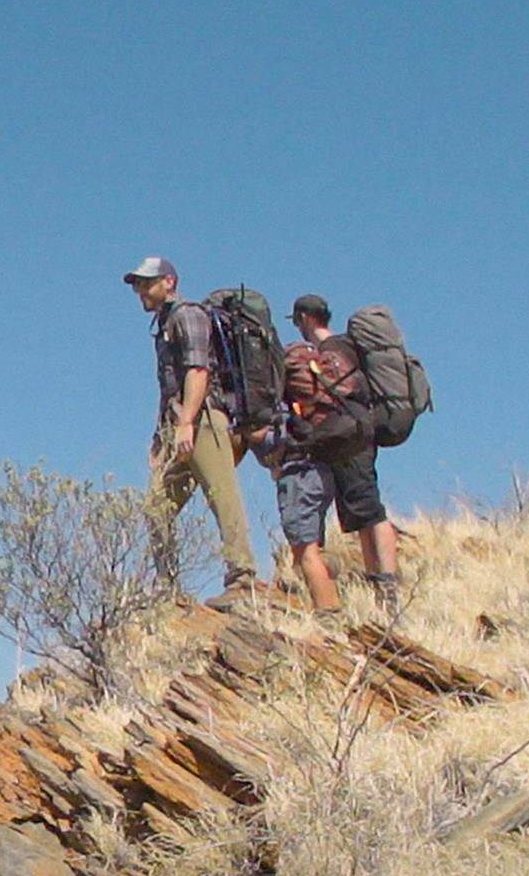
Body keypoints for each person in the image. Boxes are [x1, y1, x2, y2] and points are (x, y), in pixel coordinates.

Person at [123, 256, 258, 604]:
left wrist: (187, 423)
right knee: (156, 509)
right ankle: (169, 589)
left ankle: (242, 580)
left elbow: (198, 371)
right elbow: (169, 387)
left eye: (146, 283)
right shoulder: (164, 325)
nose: (141, 290)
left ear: (169, 282)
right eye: (138, 284)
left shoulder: (188, 314)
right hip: (180, 425)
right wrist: (160, 437)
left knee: (221, 495)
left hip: (205, 420)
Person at [289, 294, 401, 612]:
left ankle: (388, 583)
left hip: (350, 437)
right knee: (360, 510)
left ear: (305, 318)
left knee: (370, 509)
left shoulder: (330, 351)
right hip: (359, 434)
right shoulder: (346, 346)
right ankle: (376, 580)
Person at [252, 341, 347, 622]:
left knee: (305, 551)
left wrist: (253, 435)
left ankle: (328, 614)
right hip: (322, 471)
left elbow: (278, 438)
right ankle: (330, 604)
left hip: (299, 474)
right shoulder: (319, 399)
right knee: (314, 547)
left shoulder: (288, 404)